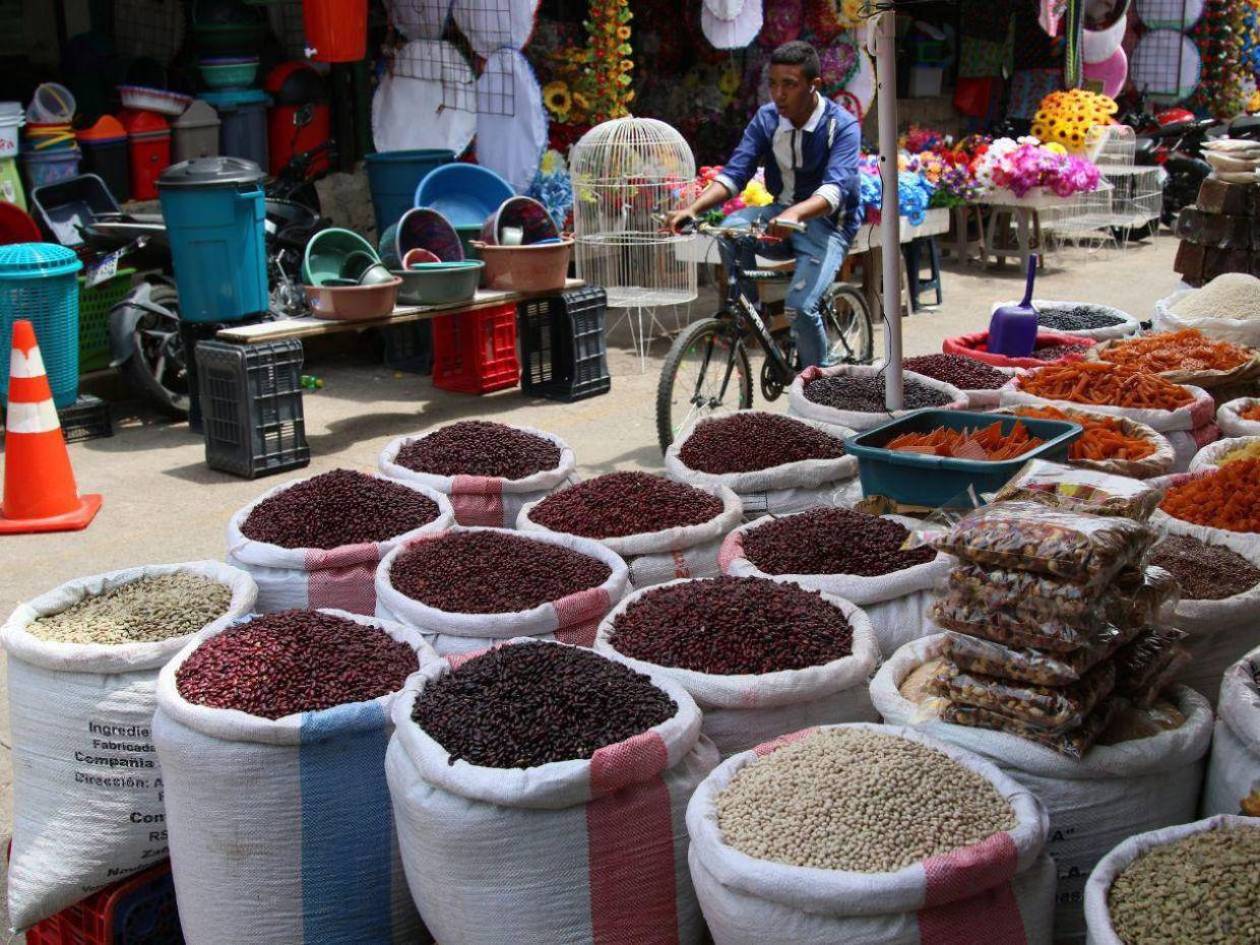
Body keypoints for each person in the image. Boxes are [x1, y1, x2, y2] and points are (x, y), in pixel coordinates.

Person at [667, 40, 862, 368]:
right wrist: (693, 209)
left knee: (800, 308)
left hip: (827, 226)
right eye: (772, 84)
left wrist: (795, 213)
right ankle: (752, 314)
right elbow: (736, 172)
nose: (779, 94)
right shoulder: (767, 119)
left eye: (790, 85)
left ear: (814, 86)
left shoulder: (840, 125)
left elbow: (836, 189)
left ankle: (817, 383)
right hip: (779, 215)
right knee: (730, 231)